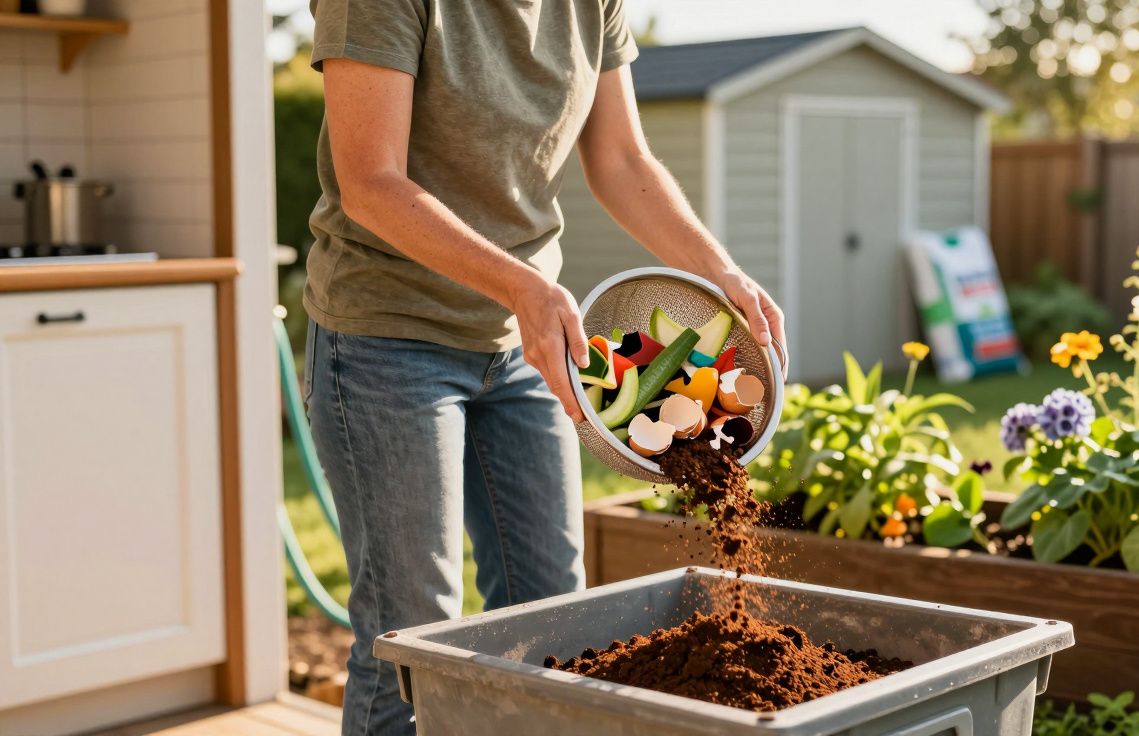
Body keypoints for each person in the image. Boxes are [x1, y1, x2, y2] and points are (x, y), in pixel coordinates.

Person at [301, 0, 788, 732]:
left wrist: (720, 271)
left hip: (529, 345)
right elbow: (370, 180)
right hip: (387, 337)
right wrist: (522, 286)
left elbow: (621, 159)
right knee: (410, 636)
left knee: (556, 615)